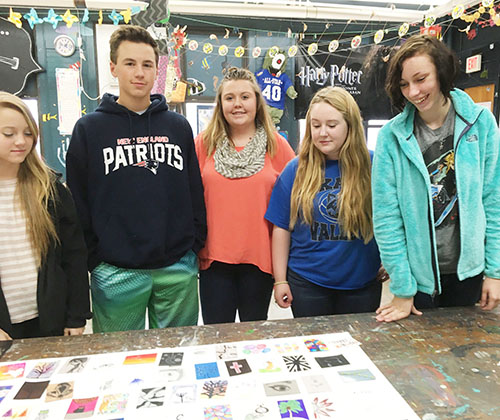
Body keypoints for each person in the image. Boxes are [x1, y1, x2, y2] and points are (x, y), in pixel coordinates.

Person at [66, 25, 206, 333]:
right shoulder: (89, 130)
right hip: (116, 270)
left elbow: (194, 191)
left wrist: (193, 245)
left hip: (176, 267)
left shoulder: (178, 126)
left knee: (178, 356)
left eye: (147, 65)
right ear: (114, 67)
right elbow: (78, 201)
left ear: (157, 70)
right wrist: (96, 260)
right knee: (117, 362)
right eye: (130, 63)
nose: (139, 73)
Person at [372, 35, 500, 322]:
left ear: (441, 73)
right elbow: (386, 218)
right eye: (404, 84)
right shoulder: (391, 137)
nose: (413, 92)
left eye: (421, 79)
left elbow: (494, 201)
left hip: (471, 274)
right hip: (416, 280)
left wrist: (495, 272)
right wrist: (402, 287)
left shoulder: (481, 123)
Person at [265, 86, 383, 317]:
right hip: (308, 282)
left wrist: (392, 260)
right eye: (316, 125)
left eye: (332, 125)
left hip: (362, 282)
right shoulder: (295, 169)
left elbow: (392, 217)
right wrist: (280, 280)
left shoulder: (374, 165)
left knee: (359, 347)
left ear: (350, 125)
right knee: (313, 348)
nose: (322, 133)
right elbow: (281, 227)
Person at [194, 67, 295, 324]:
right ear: (220, 104)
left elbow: (295, 203)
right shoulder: (204, 144)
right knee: (217, 338)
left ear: (257, 102)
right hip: (213, 260)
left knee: (254, 338)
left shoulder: (277, 145)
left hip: (259, 260)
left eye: (245, 97)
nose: (237, 104)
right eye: (229, 98)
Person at [0, 91, 91, 340]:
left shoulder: (49, 189)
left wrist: (76, 315)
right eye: (8, 134)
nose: (21, 141)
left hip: (50, 320)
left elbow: (74, 255)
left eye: (28, 133)